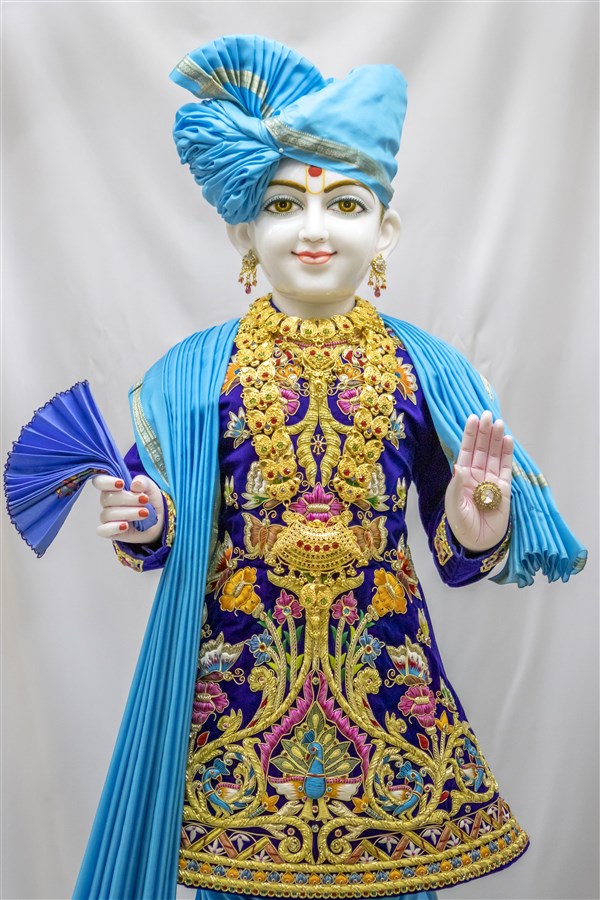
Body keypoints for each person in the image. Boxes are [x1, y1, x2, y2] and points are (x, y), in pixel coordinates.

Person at [78, 36, 585, 900]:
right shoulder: (194, 377)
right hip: (238, 711)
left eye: (345, 205)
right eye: (285, 205)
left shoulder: (426, 373)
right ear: (245, 231)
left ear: (385, 230)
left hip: (385, 699)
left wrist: (478, 524)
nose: (314, 230)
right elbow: (158, 519)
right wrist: (148, 519)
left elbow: (457, 546)